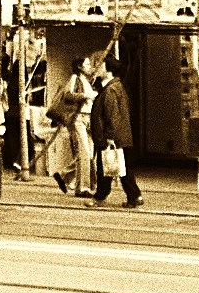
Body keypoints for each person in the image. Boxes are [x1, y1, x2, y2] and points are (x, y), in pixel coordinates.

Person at [88, 55, 142, 208]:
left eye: (100, 65)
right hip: (120, 136)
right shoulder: (115, 87)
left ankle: (100, 197)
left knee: (106, 168)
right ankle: (134, 196)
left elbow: (113, 115)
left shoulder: (111, 89)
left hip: (112, 137)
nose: (97, 68)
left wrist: (109, 136)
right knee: (122, 168)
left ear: (108, 69)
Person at [52, 56, 96, 198]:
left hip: (87, 119)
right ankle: (83, 187)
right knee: (84, 153)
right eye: (87, 64)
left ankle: (64, 175)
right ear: (80, 66)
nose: (89, 66)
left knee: (86, 154)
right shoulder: (74, 78)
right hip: (78, 119)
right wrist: (85, 95)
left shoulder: (87, 81)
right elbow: (68, 95)